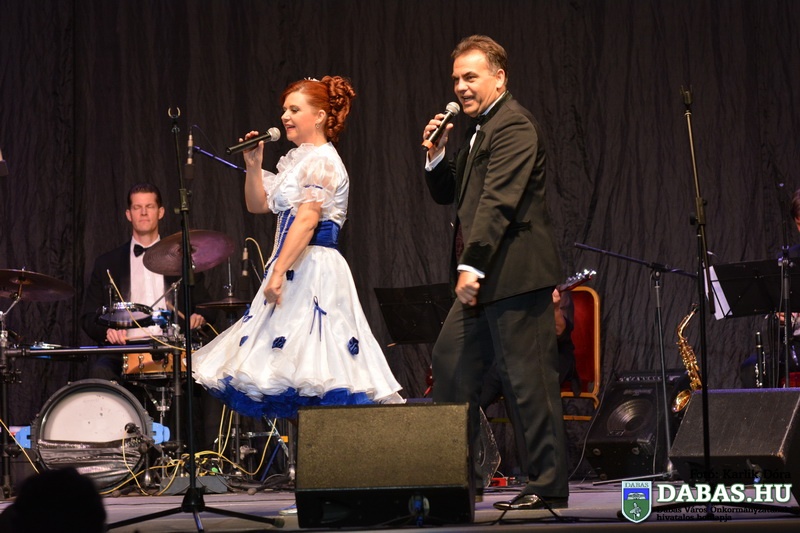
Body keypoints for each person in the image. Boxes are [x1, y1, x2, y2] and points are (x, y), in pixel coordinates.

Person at [192, 76, 404, 421]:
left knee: (317, 363)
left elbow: (307, 220)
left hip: (313, 268)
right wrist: (253, 165)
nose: (285, 117)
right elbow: (258, 204)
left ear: (319, 116)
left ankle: (327, 446)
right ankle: (305, 449)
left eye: (294, 109)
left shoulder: (323, 161)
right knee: (287, 364)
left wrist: (278, 272)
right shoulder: (299, 161)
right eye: (284, 110)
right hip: (293, 265)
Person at [422, 35, 569, 511]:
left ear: (499, 77)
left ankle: (548, 485)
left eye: (471, 77)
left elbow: (497, 202)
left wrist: (471, 264)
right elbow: (451, 195)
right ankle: (458, 478)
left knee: (528, 383)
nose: (461, 87)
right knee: (449, 364)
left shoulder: (514, 125)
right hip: (485, 280)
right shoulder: (477, 130)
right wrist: (437, 155)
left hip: (515, 275)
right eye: (456, 79)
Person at [80, 182, 219, 448]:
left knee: (204, 376)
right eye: (137, 207)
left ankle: (192, 457)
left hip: (171, 347)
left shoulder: (183, 260)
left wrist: (199, 316)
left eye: (149, 207)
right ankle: (118, 458)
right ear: (128, 214)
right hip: (124, 350)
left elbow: (206, 306)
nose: (143, 213)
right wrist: (107, 331)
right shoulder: (107, 263)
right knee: (100, 371)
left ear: (161, 212)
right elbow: (88, 316)